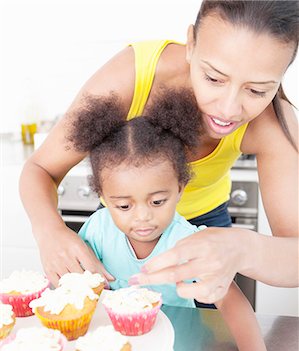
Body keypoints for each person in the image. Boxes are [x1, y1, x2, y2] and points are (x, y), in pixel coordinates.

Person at [19, 0, 298, 301]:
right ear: (191, 44)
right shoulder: (131, 76)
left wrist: (243, 248)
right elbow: (41, 169)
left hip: (208, 227)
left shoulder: (271, 123)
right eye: (214, 78)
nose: (228, 109)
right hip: (121, 227)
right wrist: (49, 230)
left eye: (257, 90)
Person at [67, 90, 283, 351]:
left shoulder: (190, 242)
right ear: (102, 197)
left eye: (157, 201)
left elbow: (232, 302)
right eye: (123, 206)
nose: (142, 217)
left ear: (180, 189)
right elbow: (75, 289)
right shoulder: (97, 231)